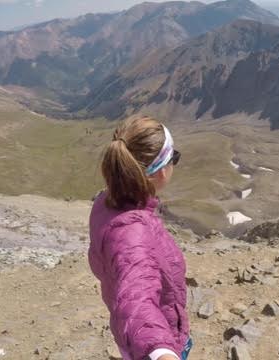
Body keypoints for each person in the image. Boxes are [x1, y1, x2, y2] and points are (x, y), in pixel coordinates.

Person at [87, 116, 191, 360]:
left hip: (132, 339)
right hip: (154, 345)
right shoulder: (133, 231)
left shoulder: (107, 201)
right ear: (160, 170)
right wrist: (163, 352)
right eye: (173, 157)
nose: (175, 163)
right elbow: (137, 301)